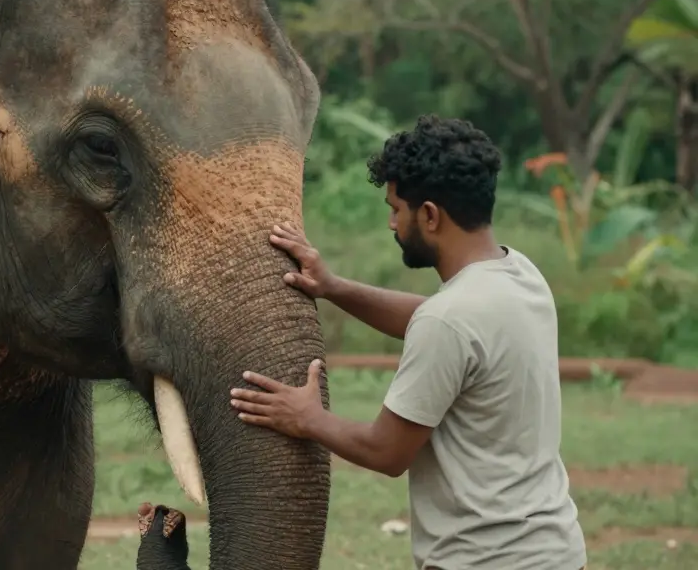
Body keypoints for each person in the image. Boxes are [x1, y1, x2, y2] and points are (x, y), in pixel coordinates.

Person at [228, 114, 587, 570]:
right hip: (555, 552)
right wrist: (334, 287)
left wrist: (308, 418)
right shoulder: (520, 276)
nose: (392, 224)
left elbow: (386, 451)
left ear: (430, 215)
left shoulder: (451, 320)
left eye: (396, 209)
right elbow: (437, 323)